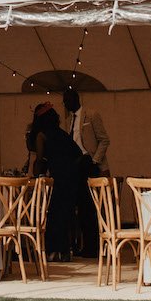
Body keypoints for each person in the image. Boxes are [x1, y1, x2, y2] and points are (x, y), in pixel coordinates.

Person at [28, 106, 89, 260]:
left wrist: (36, 173)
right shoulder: (62, 134)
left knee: (54, 214)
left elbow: (40, 160)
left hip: (58, 178)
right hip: (72, 177)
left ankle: (53, 249)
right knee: (66, 213)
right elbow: (78, 154)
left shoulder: (41, 136)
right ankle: (65, 251)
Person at [64, 89, 109, 176]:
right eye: (64, 102)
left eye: (67, 100)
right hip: (76, 162)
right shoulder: (69, 120)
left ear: (76, 99)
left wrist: (95, 160)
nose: (65, 104)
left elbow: (104, 140)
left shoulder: (91, 115)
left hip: (92, 161)